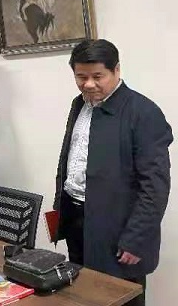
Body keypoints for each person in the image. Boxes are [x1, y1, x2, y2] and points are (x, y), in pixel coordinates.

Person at [53, 39, 172, 306]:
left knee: (120, 297)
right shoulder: (79, 104)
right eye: (81, 77)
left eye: (97, 76)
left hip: (119, 229)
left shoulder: (143, 112)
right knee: (82, 295)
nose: (88, 84)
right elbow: (69, 159)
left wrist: (136, 239)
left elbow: (155, 187)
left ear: (116, 70)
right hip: (77, 220)